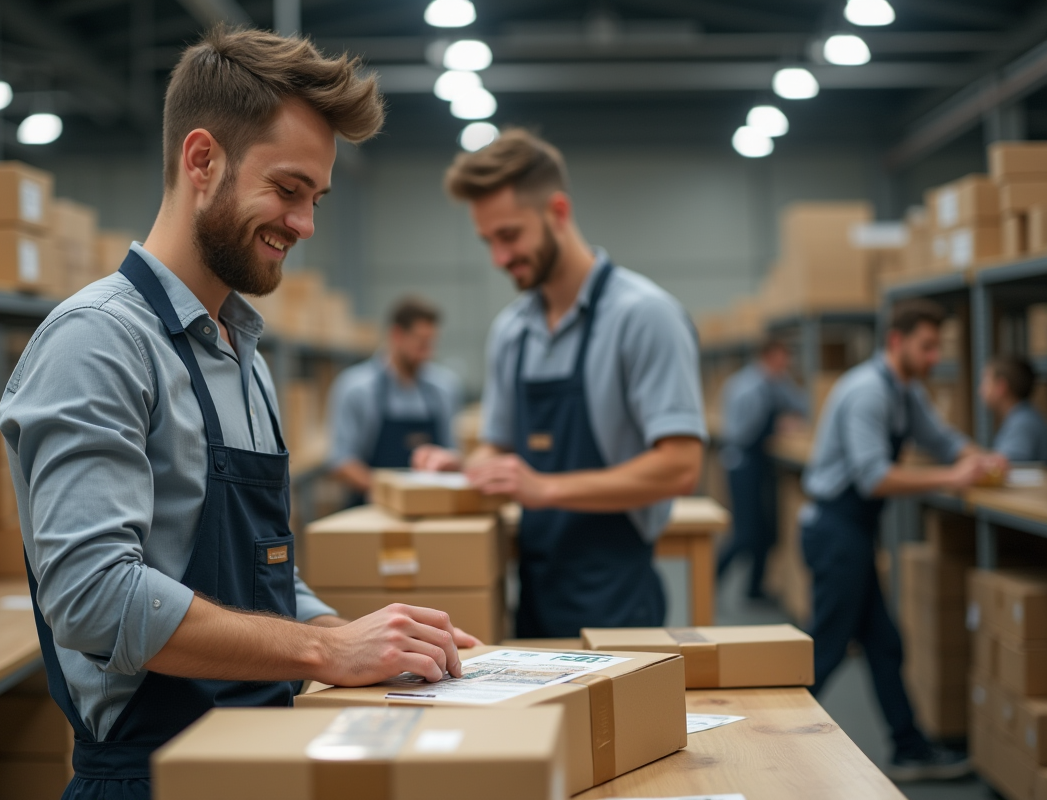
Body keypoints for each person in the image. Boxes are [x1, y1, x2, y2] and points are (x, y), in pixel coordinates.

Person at [0, 29, 476, 800]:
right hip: (153, 777)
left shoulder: (243, 353)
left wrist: (356, 636)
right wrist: (323, 657)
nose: (305, 225)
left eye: (316, 200)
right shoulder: (97, 343)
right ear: (201, 160)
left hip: (262, 756)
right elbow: (92, 598)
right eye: (288, 190)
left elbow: (256, 585)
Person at [413, 128, 706, 638]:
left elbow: (681, 466)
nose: (499, 259)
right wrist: (467, 467)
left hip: (617, 593)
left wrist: (545, 488)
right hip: (534, 586)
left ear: (559, 212)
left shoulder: (643, 316)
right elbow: (499, 446)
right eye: (488, 242)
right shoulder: (512, 331)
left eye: (510, 236)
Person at [801, 299, 1007, 781]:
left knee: (883, 644)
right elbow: (873, 478)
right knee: (828, 648)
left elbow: (941, 438)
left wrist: (980, 459)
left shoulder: (906, 392)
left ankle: (909, 748)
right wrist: (951, 478)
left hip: (853, 530)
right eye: (927, 346)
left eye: (939, 347)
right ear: (897, 342)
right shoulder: (868, 392)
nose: (936, 356)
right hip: (833, 529)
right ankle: (765, 737)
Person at [327, 296, 462, 505]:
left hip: (431, 507)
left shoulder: (443, 388)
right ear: (397, 335)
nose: (427, 353)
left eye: (431, 343)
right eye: (421, 343)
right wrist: (393, 494)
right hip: (372, 510)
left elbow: (452, 452)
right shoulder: (357, 388)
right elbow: (341, 462)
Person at [716, 337, 807, 599]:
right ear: (767, 357)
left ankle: (754, 589)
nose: (786, 364)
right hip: (742, 463)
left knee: (766, 532)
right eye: (782, 359)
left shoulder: (776, 383)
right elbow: (739, 433)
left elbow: (802, 406)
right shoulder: (746, 386)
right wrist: (776, 425)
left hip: (761, 464)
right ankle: (708, 579)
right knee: (745, 534)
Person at [981, 355, 1047, 463]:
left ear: (1000, 386)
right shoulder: (1021, 417)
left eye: (986, 381)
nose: (980, 389)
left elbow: (1003, 464)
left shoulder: (1023, 423)